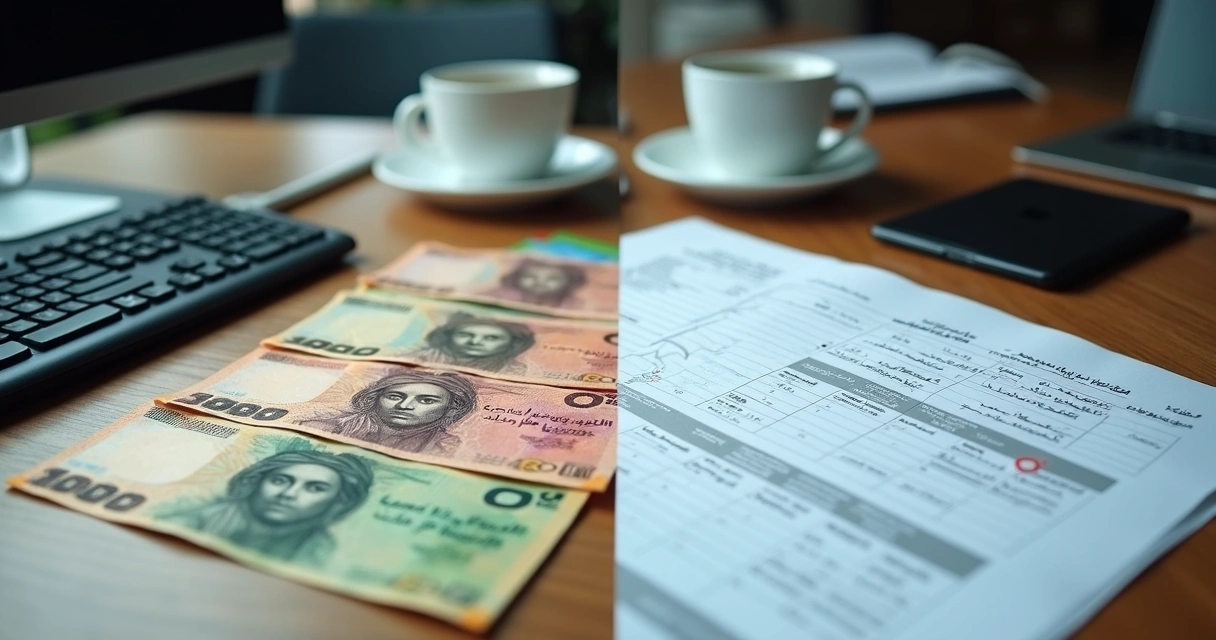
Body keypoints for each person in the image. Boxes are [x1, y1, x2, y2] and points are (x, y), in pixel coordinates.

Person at [163, 450, 373, 565]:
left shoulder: (321, 550)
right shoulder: (187, 523)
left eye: (315, 488)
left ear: (339, 501)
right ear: (256, 483)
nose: (288, 494)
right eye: (280, 481)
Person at [302, 370, 478, 455]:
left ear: (452, 408)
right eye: (394, 396)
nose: (404, 406)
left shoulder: (446, 449)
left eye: (426, 401)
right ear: (375, 399)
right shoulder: (319, 428)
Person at [411, 313, 535, 374]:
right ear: (448, 335)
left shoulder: (515, 371)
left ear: (513, 342)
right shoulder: (418, 357)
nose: (474, 342)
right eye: (465, 335)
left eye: (491, 338)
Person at [497, 259, 587, 307]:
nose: (540, 282)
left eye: (552, 278)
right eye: (531, 276)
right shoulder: (503, 298)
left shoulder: (572, 305)